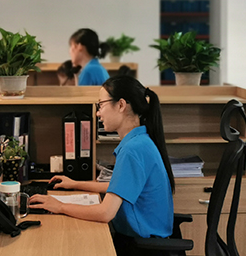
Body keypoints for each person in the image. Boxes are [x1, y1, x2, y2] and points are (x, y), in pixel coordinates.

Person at [30, 76, 175, 256]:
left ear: (121, 105)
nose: (98, 113)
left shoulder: (133, 149)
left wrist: (58, 206)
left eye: (101, 105)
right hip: (143, 242)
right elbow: (118, 187)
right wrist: (75, 184)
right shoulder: (140, 142)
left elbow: (105, 213)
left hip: (142, 248)